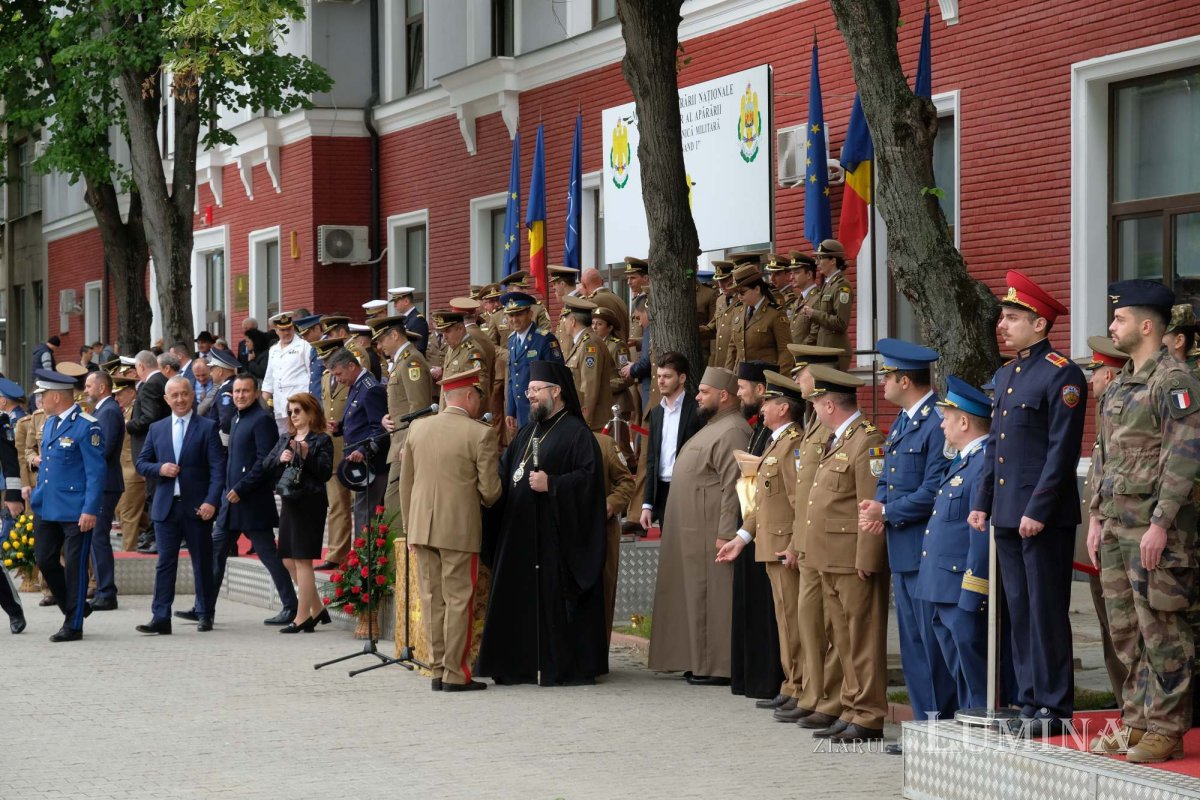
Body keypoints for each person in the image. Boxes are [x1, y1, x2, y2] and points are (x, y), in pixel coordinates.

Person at [968, 270, 1087, 737]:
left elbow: (1062, 450)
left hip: (1043, 516)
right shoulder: (1007, 373)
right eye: (1003, 315)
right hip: (1006, 514)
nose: (1003, 323)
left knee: (1045, 611)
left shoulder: (1063, 373)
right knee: (1018, 609)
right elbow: (996, 446)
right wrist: (983, 501)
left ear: (1040, 324)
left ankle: (1055, 707)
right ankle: (1030, 699)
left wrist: (1037, 508)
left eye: (1013, 317)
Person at [1086, 281, 1200, 763]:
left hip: (1156, 531)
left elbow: (1184, 455)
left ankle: (1167, 727)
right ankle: (1135, 719)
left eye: (1120, 319)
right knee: (1126, 631)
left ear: (1147, 326)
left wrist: (1160, 524)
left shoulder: (1172, 381)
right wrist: (1094, 516)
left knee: (1163, 630)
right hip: (1116, 526)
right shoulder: (1124, 383)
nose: (1112, 327)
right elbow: (1105, 454)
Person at [477, 361, 609, 686]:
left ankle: (556, 665)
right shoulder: (527, 431)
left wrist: (553, 485)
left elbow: (590, 483)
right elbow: (507, 473)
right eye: (529, 391)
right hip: (518, 536)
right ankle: (515, 664)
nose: (530, 396)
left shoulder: (577, 434)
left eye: (536, 390)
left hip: (555, 542)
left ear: (556, 391)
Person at [858, 339, 953, 739]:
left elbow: (934, 488)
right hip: (903, 548)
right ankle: (923, 725)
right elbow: (889, 476)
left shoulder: (935, 422)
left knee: (930, 646)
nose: (883, 383)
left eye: (887, 376)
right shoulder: (904, 419)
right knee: (914, 647)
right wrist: (879, 506)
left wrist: (888, 512)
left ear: (904, 380)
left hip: (923, 548)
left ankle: (938, 727)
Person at [400, 368, 502, 691]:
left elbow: (406, 484)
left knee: (432, 599)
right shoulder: (480, 433)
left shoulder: (418, 428)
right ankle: (456, 674)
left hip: (420, 528)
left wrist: (410, 526)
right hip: (458, 530)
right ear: (470, 397)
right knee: (459, 599)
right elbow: (490, 491)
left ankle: (437, 670)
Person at [802, 365, 888, 743]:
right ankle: (852, 705)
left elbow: (871, 504)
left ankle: (868, 713)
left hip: (853, 559)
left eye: (817, 402)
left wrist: (867, 558)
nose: (815, 410)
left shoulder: (865, 441)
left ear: (828, 404)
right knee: (844, 638)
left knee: (861, 637)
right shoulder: (840, 438)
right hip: (830, 557)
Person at [650, 366, 749, 684]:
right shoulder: (715, 426)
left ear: (724, 396)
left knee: (712, 600)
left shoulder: (732, 429)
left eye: (704, 392)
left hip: (710, 534)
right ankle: (697, 659)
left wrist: (725, 534)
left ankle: (717, 665)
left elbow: (734, 487)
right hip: (692, 532)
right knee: (694, 600)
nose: (697, 396)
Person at [717, 369, 807, 709]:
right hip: (769, 543)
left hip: (785, 546)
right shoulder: (775, 442)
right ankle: (792, 683)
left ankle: (800, 687)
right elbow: (764, 502)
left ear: (783, 408)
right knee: (785, 621)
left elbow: (799, 501)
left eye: (769, 401)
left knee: (794, 622)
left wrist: (796, 544)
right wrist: (741, 538)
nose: (763, 406)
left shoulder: (792, 444)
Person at [913, 376, 994, 714]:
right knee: (958, 671)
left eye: (946, 417)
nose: (942, 424)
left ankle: (982, 739)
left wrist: (973, 591)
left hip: (960, 588)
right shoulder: (963, 462)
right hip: (942, 586)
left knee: (976, 676)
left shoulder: (984, 464)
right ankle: (968, 729)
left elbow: (980, 534)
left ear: (964, 421)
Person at [201, 374, 299, 627]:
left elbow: (264, 461)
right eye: (236, 391)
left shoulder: (262, 419)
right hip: (230, 503)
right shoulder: (235, 417)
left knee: (268, 556)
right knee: (215, 554)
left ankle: (291, 606)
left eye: (245, 391)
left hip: (252, 502)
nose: (240, 395)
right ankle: (204, 609)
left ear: (256, 393)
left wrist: (241, 488)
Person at [134, 377, 225, 635]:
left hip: (197, 508)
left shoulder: (207, 427)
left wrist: (211, 502)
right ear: (166, 399)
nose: (180, 399)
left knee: (202, 563)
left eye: (185, 394)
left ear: (192, 395)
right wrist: (159, 468)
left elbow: (218, 469)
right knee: (165, 564)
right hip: (166, 508)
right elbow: (142, 463)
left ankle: (205, 613)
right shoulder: (157, 428)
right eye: (174, 396)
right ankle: (160, 617)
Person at [1072, 336, 1131, 706]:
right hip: (1098, 536)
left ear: (1109, 377)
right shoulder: (1103, 412)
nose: (1090, 380)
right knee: (1107, 624)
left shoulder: (1122, 413)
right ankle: (1121, 691)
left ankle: (1132, 696)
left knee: (1122, 624)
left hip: (1117, 533)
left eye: (1095, 371)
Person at [31, 368, 107, 642]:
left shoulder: (87, 425)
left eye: (43, 395)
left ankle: (73, 625)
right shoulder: (50, 422)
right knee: (44, 559)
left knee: (75, 566)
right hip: (47, 505)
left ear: (57, 397)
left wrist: (90, 509)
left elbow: (96, 472)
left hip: (76, 509)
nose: (40, 399)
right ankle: (76, 607)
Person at [729, 360, 786, 701]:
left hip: (769, 531)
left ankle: (771, 680)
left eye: (742, 387)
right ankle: (752, 678)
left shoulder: (783, 436)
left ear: (762, 390)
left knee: (772, 612)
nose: (739, 393)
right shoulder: (759, 431)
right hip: (751, 525)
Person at [264, 392, 334, 633]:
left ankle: (303, 617)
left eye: (297, 411)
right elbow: (266, 465)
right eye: (290, 411)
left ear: (310, 412)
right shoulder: (286, 438)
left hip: (310, 502)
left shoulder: (321, 440)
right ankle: (317, 608)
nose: (293, 416)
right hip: (290, 501)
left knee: (303, 559)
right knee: (286, 558)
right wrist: (281, 460)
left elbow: (325, 472)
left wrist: (306, 455)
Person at [369, 316, 433, 518]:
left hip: (406, 442)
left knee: (395, 500)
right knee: (394, 500)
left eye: (381, 340)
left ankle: (401, 549)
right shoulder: (401, 361)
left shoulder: (410, 360)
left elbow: (420, 406)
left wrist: (409, 443)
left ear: (394, 335)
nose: (379, 347)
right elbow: (402, 402)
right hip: (399, 440)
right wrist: (387, 418)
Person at [328, 347, 389, 538]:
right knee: (362, 512)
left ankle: (364, 563)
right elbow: (360, 419)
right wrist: (339, 426)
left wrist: (363, 450)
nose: (337, 379)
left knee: (365, 514)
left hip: (371, 462)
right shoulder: (357, 385)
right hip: (358, 461)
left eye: (339, 374)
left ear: (352, 366)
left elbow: (380, 428)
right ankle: (362, 561)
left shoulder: (371, 388)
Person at [640, 352, 702, 530]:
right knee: (668, 550)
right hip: (662, 492)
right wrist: (647, 504)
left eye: (667, 376)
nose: (661, 381)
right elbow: (652, 460)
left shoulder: (697, 410)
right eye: (659, 376)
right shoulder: (657, 413)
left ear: (682, 378)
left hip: (689, 490)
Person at [83, 370, 124, 611]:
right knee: (96, 538)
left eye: (89, 386)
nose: (86, 390)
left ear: (101, 388)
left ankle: (106, 591)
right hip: (103, 483)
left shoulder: (108, 411)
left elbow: (103, 449)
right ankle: (102, 589)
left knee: (99, 537)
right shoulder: (103, 409)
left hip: (105, 484)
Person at [313, 339, 352, 570]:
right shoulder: (327, 377)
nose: (327, 365)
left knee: (357, 505)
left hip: (353, 444)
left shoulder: (352, 376)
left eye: (329, 360)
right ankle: (337, 553)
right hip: (333, 447)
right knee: (337, 504)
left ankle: (350, 552)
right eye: (324, 362)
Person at [126, 349, 170, 554]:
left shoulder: (150, 385)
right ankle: (155, 535)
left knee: (153, 494)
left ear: (142, 366)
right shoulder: (162, 380)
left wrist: (129, 424)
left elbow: (150, 417)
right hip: (159, 448)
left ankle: (155, 536)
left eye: (136, 368)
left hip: (151, 449)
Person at [502, 291, 564, 432]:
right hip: (521, 411)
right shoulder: (512, 340)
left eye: (518, 314)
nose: (514, 319)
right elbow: (512, 377)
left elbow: (557, 376)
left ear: (530, 314)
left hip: (541, 411)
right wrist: (510, 410)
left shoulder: (544, 339)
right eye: (511, 315)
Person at [595, 429, 635, 637]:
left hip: (601, 531)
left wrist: (610, 505)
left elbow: (626, 483)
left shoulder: (604, 444)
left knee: (602, 592)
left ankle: (599, 653)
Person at [562, 296, 615, 432]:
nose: (564, 323)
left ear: (573, 321)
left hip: (593, 421)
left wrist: (585, 420)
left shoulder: (589, 344)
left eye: (565, 319)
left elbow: (590, 386)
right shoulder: (582, 342)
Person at [726, 263, 791, 372]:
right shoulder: (738, 311)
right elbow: (733, 347)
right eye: (737, 293)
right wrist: (727, 375)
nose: (739, 297)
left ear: (757, 289)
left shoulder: (775, 313)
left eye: (742, 292)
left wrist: (778, 380)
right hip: (741, 377)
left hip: (764, 377)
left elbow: (785, 350)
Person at [802, 240, 854, 370]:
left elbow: (841, 322)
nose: (817, 262)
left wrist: (814, 314)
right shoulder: (828, 285)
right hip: (825, 352)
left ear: (833, 260)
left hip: (835, 353)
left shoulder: (842, 286)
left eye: (821, 258)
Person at [262, 314, 314, 435]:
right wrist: (261, 407)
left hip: (300, 404)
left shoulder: (304, 345)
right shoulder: (273, 350)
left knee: (302, 437)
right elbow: (269, 380)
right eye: (282, 330)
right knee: (284, 442)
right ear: (276, 331)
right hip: (280, 406)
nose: (286, 332)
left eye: (289, 329)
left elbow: (312, 374)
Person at [112, 374, 145, 552]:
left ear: (132, 392)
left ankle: (128, 552)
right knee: (125, 510)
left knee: (128, 515)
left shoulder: (134, 411)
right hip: (124, 468)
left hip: (132, 469)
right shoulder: (125, 410)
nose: (116, 398)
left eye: (120, 393)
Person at [201, 348, 240, 446]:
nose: (210, 373)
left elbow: (226, 419)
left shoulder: (226, 390)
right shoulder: (234, 383)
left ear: (219, 371)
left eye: (212, 369)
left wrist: (224, 443)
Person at [581, 267, 630, 343]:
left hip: (605, 351)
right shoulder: (618, 298)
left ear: (584, 285)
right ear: (602, 281)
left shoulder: (591, 301)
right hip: (621, 348)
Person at [787, 252, 820, 346]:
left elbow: (815, 333)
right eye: (791, 273)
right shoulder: (798, 300)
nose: (791, 277)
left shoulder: (818, 298)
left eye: (796, 272)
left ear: (809, 274)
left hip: (808, 357)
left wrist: (799, 350)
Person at [388, 286, 430, 355]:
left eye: (396, 302)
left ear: (406, 301)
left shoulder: (418, 320)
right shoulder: (404, 319)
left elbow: (419, 348)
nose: (394, 306)